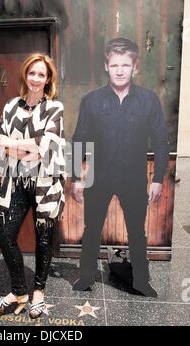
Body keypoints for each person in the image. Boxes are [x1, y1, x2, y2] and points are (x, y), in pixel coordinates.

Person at [71, 38, 169, 297]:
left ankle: (141, 281)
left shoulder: (149, 100)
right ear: (106, 66)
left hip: (134, 178)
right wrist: (76, 178)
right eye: (114, 64)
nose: (120, 70)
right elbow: (79, 139)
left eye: (126, 64)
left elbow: (161, 141)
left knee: (137, 231)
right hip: (97, 175)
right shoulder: (91, 100)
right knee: (92, 229)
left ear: (135, 66)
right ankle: (86, 277)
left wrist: (158, 178)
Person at [0, 53, 66, 318]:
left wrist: (14, 144)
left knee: (43, 238)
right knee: (4, 235)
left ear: (48, 80)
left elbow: (45, 149)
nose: (36, 78)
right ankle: (19, 290)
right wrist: (23, 148)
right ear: (25, 75)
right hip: (16, 182)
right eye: (31, 73)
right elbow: (1, 144)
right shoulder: (11, 106)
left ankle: (39, 293)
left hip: (45, 184)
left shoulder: (54, 109)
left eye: (41, 75)